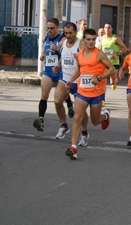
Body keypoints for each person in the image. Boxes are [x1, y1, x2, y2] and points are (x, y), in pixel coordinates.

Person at [65, 28, 116, 160]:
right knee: (77, 117)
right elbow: (81, 70)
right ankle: (74, 148)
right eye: (88, 39)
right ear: (84, 40)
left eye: (93, 39)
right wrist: (71, 80)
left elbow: (112, 69)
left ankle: (105, 116)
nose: (91, 42)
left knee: (94, 121)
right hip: (82, 91)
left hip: (97, 92)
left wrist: (99, 78)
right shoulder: (80, 54)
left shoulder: (99, 54)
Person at [33, 18, 69, 132]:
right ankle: (41, 120)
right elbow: (46, 48)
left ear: (58, 28)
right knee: (44, 94)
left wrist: (57, 48)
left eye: (52, 28)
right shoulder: (46, 38)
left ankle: (69, 103)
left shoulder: (62, 39)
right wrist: (43, 55)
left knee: (60, 97)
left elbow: (66, 52)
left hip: (60, 72)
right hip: (48, 70)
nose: (50, 30)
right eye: (48, 28)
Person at [52, 22, 81, 140]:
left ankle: (84, 133)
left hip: (79, 79)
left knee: (80, 111)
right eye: (66, 33)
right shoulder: (64, 43)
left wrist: (79, 59)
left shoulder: (81, 43)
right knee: (57, 101)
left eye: (70, 33)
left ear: (75, 32)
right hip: (65, 78)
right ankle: (64, 125)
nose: (68, 35)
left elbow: (87, 60)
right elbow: (63, 57)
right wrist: (58, 65)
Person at [100, 23, 128, 91]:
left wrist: (117, 54)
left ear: (112, 29)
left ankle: (114, 84)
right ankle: (102, 98)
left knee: (112, 82)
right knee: (103, 80)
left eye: (109, 27)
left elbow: (125, 48)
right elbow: (100, 48)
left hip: (114, 62)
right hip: (105, 62)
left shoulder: (115, 39)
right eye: (106, 27)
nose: (107, 29)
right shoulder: (102, 38)